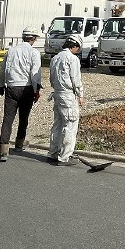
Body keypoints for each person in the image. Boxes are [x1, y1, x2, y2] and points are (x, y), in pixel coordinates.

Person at [0, 26, 43, 162]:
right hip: (26, 88)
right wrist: (36, 90)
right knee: (23, 117)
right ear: (33, 38)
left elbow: (3, 69)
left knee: (8, 118)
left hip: (11, 87)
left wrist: (0, 84)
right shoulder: (34, 53)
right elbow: (35, 74)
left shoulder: (11, 50)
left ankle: (4, 150)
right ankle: (19, 143)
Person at [48, 35, 85, 165]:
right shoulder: (72, 59)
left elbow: (51, 78)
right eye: (77, 48)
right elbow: (76, 79)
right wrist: (80, 95)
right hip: (68, 95)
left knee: (57, 125)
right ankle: (64, 157)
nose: (77, 50)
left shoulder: (55, 58)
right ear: (74, 46)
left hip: (57, 94)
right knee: (70, 125)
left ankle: (52, 153)